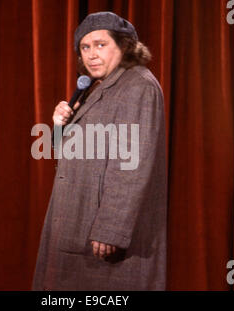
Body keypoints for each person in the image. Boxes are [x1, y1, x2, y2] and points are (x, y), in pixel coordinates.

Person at [32, 11, 167, 290]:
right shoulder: (99, 88)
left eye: (101, 44)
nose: (92, 54)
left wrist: (111, 229)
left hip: (101, 238)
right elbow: (79, 155)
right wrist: (60, 129)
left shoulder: (137, 85)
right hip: (77, 226)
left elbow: (131, 164)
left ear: (125, 46)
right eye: (85, 47)